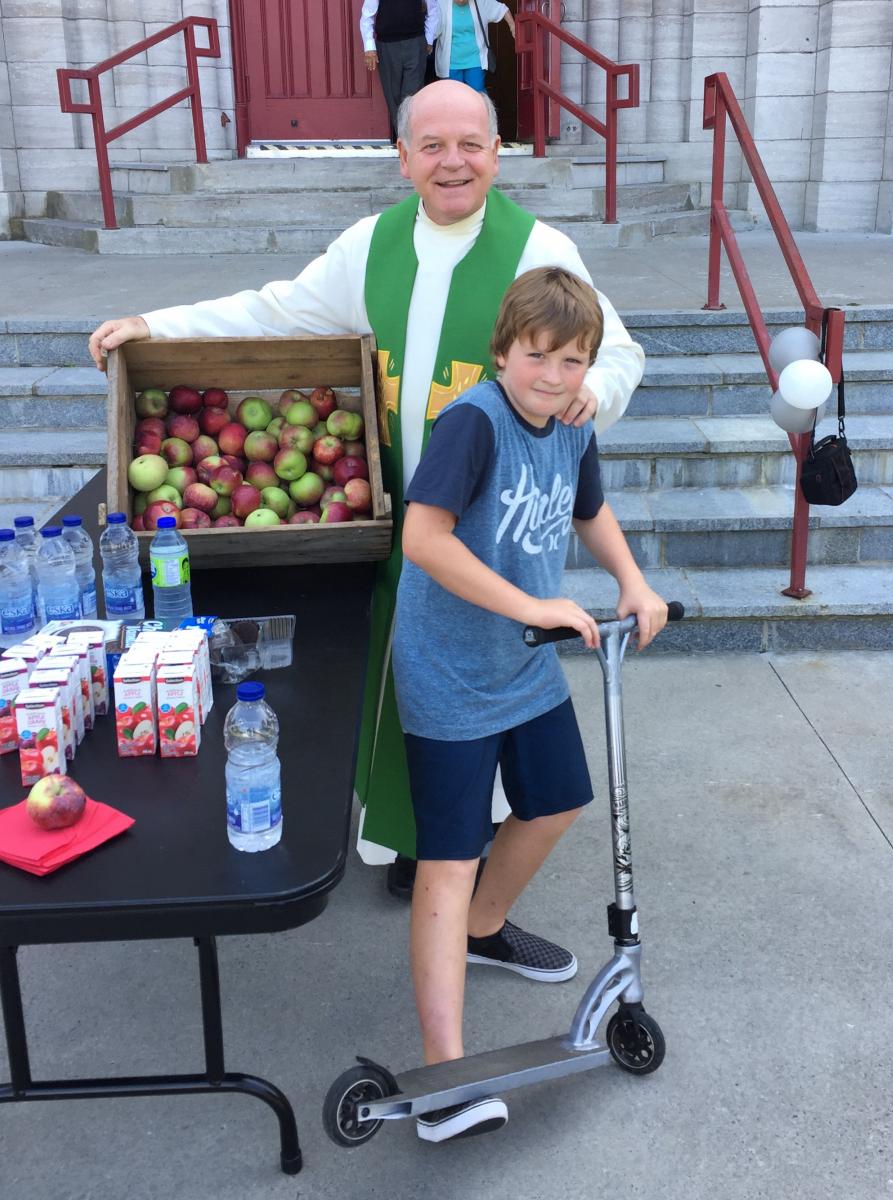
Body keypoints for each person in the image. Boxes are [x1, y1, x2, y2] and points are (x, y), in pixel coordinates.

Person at [87, 80, 645, 891]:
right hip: (394, 521)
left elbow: (618, 347)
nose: (452, 162)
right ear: (402, 158)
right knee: (400, 686)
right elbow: (277, 310)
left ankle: (459, 867)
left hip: (482, 538)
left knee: (482, 691)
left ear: (497, 154)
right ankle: (414, 853)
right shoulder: (371, 244)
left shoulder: (540, 249)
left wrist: (597, 389)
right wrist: (156, 327)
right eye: (432, 146)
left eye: (470, 145)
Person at [393, 266, 668, 1142]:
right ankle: (446, 1074)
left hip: (527, 658)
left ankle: (483, 927)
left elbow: (590, 512)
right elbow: (422, 539)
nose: (553, 375)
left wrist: (631, 579)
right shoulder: (471, 424)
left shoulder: (571, 423)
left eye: (573, 360)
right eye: (537, 356)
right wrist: (532, 604)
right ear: (503, 350)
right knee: (445, 855)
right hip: (450, 667)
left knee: (556, 803)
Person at [360, 0, 441, 140]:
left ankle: (410, 142)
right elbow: (367, 16)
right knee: (393, 96)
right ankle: (404, 141)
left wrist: (428, 39)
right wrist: (369, 47)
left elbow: (433, 11)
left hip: (415, 43)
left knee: (412, 96)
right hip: (387, 45)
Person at [434, 0, 513, 92]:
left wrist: (513, 26)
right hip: (451, 63)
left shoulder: (480, 2)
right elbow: (432, 25)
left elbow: (502, 9)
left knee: (477, 95)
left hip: (475, 60)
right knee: (454, 98)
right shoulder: (441, 4)